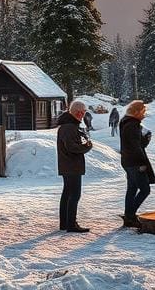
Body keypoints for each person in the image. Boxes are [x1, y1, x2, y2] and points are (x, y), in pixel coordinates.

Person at [56, 100, 94, 233]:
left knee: (67, 193)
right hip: (72, 166)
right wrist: (87, 146)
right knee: (74, 195)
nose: (83, 115)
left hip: (68, 165)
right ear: (77, 112)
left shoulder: (68, 126)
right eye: (82, 112)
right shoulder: (69, 127)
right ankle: (71, 224)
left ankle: (65, 223)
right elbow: (72, 147)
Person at [119, 100, 155, 227]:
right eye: (143, 112)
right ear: (136, 112)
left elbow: (136, 144)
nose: (144, 114)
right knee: (145, 189)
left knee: (132, 188)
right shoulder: (132, 125)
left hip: (127, 161)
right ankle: (130, 215)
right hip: (135, 162)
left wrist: (145, 139)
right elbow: (135, 146)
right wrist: (142, 162)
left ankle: (129, 215)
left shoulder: (126, 123)